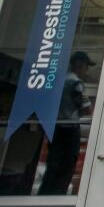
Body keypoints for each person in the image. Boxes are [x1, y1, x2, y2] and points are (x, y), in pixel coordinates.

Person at [38, 52, 94, 195]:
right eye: (86, 66)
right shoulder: (76, 83)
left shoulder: (58, 81)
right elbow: (87, 109)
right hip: (69, 128)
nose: (86, 70)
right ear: (79, 65)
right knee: (66, 167)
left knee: (53, 165)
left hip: (55, 127)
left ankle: (45, 195)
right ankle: (57, 196)